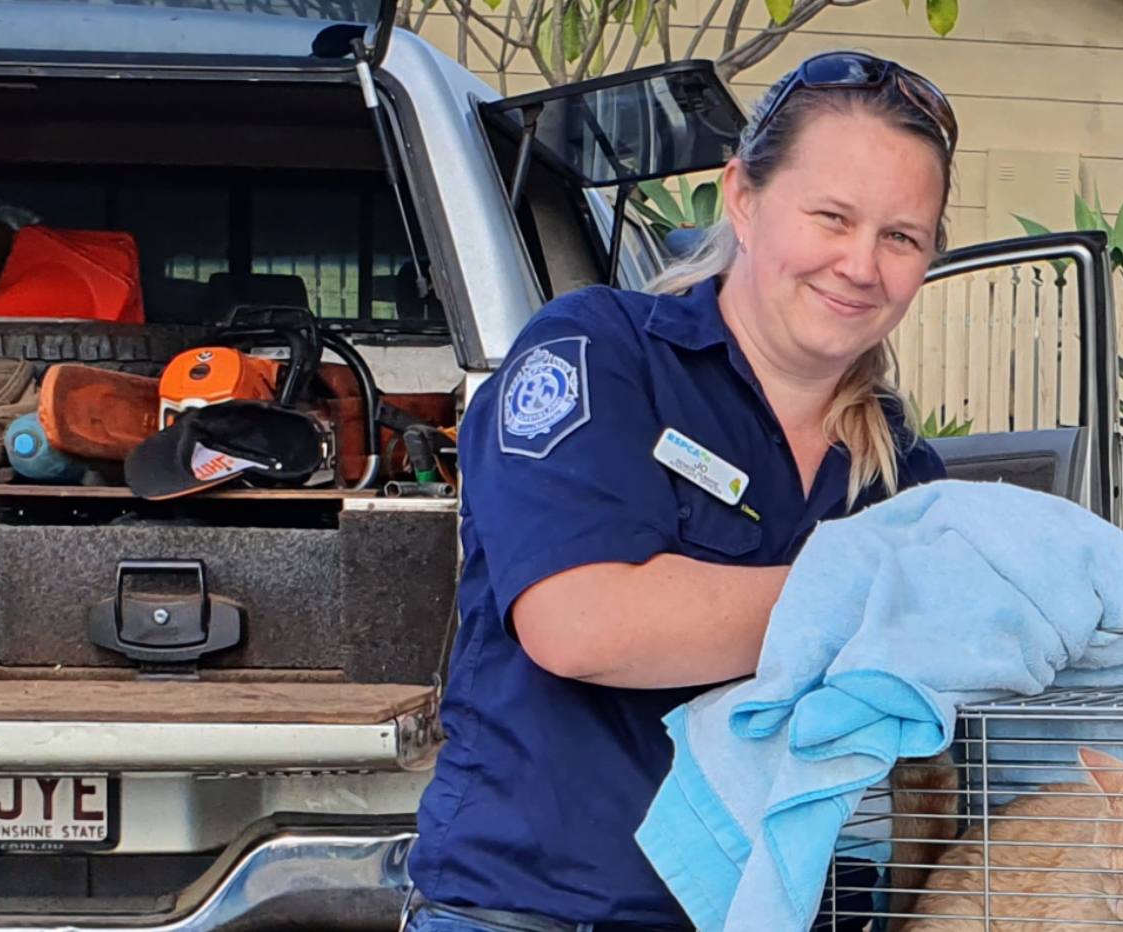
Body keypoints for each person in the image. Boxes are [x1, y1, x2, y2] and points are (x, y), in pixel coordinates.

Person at [408, 50, 961, 932]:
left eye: (902, 237)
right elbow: (582, 622)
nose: (861, 264)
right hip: (546, 913)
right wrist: (879, 600)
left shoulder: (901, 471)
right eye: (832, 216)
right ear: (742, 197)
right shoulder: (600, 353)